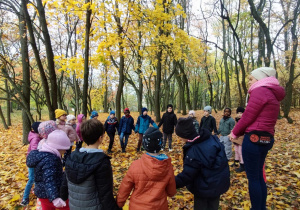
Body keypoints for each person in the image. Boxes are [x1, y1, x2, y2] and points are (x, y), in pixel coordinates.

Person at [229, 67, 285, 210]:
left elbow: (248, 116)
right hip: (267, 138)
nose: (249, 82)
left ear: (260, 79)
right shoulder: (272, 94)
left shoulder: (260, 91)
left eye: (251, 78)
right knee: (259, 176)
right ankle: (261, 207)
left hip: (254, 138)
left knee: (253, 178)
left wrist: (234, 133)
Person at [61, 119, 120, 210]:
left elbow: (64, 183)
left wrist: (63, 197)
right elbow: (105, 193)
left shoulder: (72, 157)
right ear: (100, 138)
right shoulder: (101, 162)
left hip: (74, 206)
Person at [175, 118, 230, 210]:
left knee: (201, 206)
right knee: (213, 205)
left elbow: (188, 174)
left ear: (187, 135)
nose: (180, 139)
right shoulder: (211, 138)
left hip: (203, 186)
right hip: (217, 183)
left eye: (180, 136)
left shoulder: (194, 150)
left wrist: (173, 183)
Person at [117, 127, 176, 209]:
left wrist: (119, 203)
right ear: (160, 143)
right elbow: (171, 192)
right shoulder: (167, 166)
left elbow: (125, 187)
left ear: (144, 144)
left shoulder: (135, 165)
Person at [27, 130, 71, 210]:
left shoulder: (43, 155)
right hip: (52, 194)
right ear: (58, 148)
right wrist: (55, 198)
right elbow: (49, 179)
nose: (65, 151)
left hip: (42, 193)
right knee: (66, 206)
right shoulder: (51, 160)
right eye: (64, 149)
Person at [21, 122, 42, 206]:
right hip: (33, 161)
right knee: (32, 179)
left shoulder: (37, 136)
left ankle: (36, 192)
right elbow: (34, 151)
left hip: (35, 160)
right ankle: (25, 198)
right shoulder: (36, 138)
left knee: (36, 177)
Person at [231, 107, 245, 172]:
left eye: (241, 113)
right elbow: (235, 127)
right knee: (236, 150)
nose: (239, 114)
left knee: (240, 151)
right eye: (238, 113)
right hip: (236, 136)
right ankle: (236, 162)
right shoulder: (237, 119)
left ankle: (242, 164)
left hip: (241, 136)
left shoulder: (244, 120)